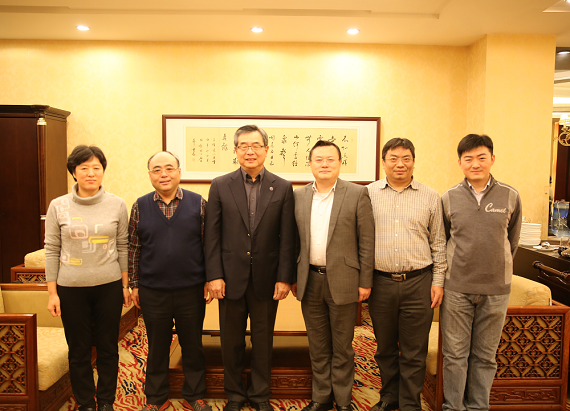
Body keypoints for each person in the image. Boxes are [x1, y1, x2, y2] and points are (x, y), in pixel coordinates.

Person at [205, 125, 296, 411]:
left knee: (263, 341)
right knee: (230, 341)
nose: (250, 151)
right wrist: (214, 275)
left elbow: (287, 238)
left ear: (266, 150)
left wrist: (284, 277)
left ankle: (259, 395)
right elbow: (212, 236)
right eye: (243, 146)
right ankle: (234, 395)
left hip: (267, 279)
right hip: (229, 278)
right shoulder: (220, 185)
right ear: (235, 150)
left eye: (256, 145)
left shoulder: (283, 187)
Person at [45, 145, 131, 411]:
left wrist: (125, 285)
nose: (91, 173)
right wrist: (52, 293)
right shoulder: (58, 206)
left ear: (103, 171)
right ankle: (85, 403)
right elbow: (52, 249)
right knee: (78, 349)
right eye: (84, 168)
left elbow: (123, 245)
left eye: (96, 167)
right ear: (74, 172)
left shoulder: (117, 204)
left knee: (108, 347)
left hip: (109, 286)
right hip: (70, 288)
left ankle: (105, 401)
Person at [440, 134, 522, 411]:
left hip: (496, 291)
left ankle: (478, 407)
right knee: (454, 355)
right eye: (468, 159)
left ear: (492, 159)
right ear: (460, 163)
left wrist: (496, 267)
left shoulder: (510, 195)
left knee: (485, 357)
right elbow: (444, 240)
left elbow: (512, 242)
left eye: (481, 157)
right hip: (457, 289)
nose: (475, 164)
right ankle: (453, 407)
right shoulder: (449, 197)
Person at [292, 140, 375, 411]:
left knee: (342, 347)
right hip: (310, 279)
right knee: (317, 345)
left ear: (340, 163)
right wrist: (294, 277)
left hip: (345, 281)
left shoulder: (357, 194)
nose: (324, 164)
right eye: (319, 159)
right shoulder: (299, 196)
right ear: (310, 164)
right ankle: (321, 398)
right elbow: (293, 241)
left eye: (330, 159)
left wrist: (365, 282)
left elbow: (366, 241)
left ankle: (343, 400)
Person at [366, 138, 447, 411]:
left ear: (413, 161)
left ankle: (411, 403)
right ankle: (389, 397)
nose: (399, 164)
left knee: (414, 349)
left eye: (406, 158)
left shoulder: (430, 196)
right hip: (380, 282)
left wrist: (438, 282)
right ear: (383, 162)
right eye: (393, 158)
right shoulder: (368, 194)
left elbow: (439, 243)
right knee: (385, 347)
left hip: (419, 282)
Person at [128, 151, 212, 411]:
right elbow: (134, 247)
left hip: (191, 289)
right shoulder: (140, 206)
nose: (163, 174)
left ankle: (194, 395)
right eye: (157, 170)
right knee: (157, 346)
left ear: (179, 172)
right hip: (153, 290)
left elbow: (208, 245)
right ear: (150, 175)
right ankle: (156, 398)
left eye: (169, 168)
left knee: (192, 344)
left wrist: (209, 279)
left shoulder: (199, 203)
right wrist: (134, 284)